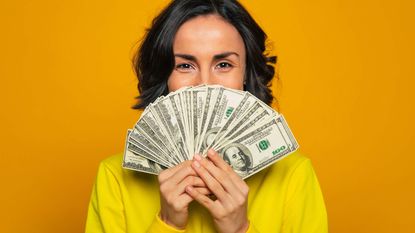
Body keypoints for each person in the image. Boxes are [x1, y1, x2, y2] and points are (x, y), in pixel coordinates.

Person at [85, 0, 328, 232]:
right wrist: (167, 224)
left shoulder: (293, 175)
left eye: (223, 64)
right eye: (185, 65)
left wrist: (240, 229)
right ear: (164, 76)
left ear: (246, 73)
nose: (205, 84)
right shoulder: (116, 177)